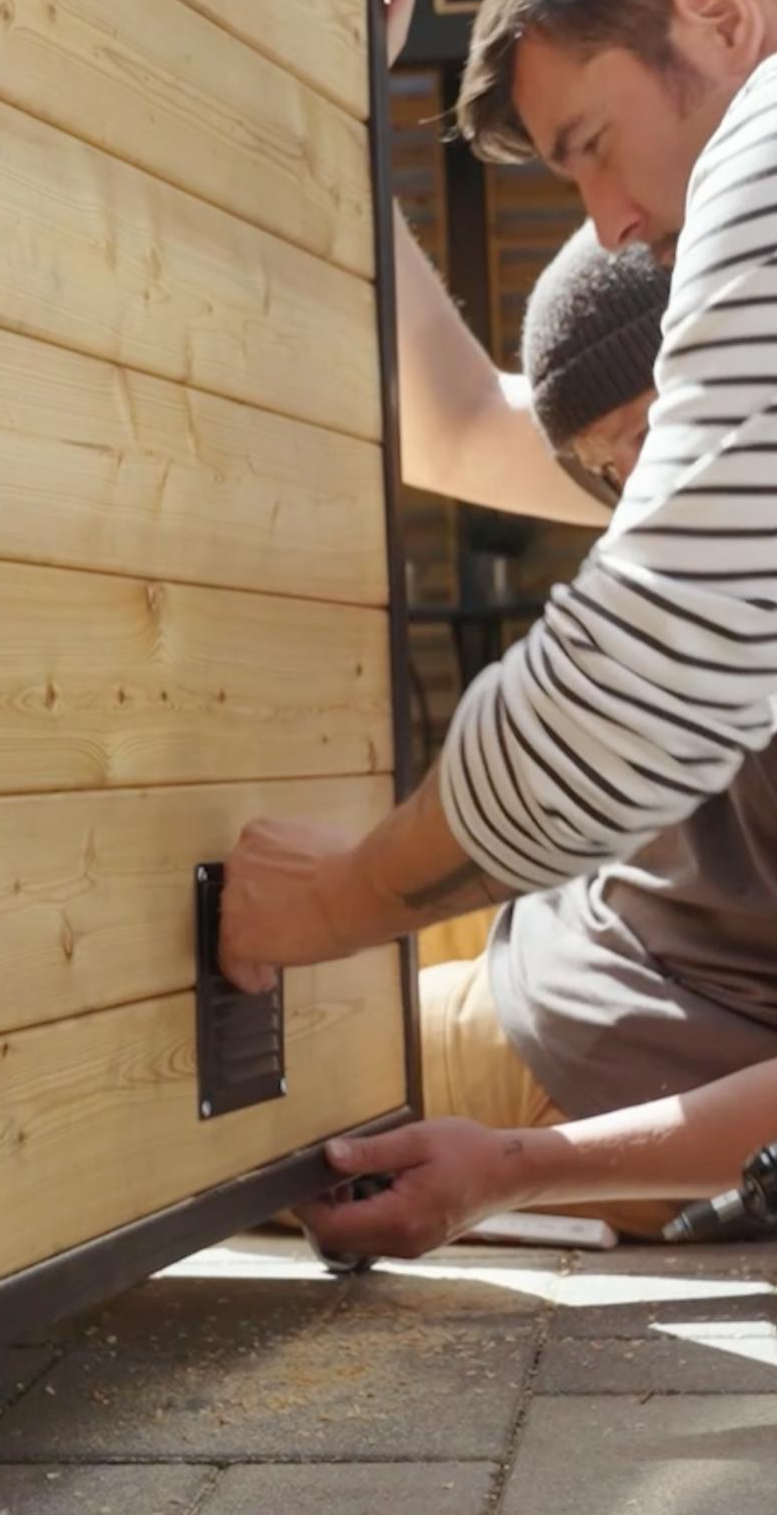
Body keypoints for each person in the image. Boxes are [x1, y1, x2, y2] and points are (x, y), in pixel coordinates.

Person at [217, 0, 777, 1015]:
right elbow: (460, 427)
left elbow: (654, 669)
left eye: (596, 146)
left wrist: (343, 896)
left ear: (725, 22)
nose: (614, 226)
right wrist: (351, 116)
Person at [333, 226, 777, 1252]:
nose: (629, 488)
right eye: (604, 467)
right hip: (576, 943)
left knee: (208, 1100)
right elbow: (452, 423)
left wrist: (510, 1176)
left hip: (607, 1052)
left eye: (639, 436)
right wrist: (346, 87)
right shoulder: (697, 467)